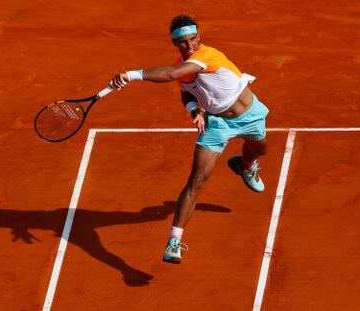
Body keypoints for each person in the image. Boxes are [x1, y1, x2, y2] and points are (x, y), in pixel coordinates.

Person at [110, 14, 269, 264]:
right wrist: (195, 111)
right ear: (175, 43)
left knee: (260, 149)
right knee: (196, 180)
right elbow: (186, 92)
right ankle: (174, 241)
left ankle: (244, 165)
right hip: (216, 124)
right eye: (183, 42)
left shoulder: (207, 56)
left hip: (249, 115)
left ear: (199, 37)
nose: (190, 45)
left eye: (193, 39)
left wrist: (131, 74)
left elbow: (172, 75)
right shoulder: (182, 67)